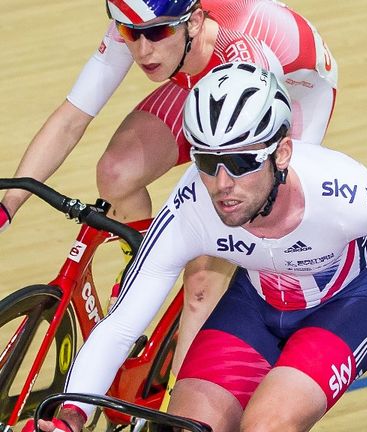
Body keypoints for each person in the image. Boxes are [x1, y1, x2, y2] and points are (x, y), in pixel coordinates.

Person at [27, 62, 367, 432]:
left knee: (267, 424)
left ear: (281, 153)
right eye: (207, 162)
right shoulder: (191, 207)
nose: (223, 184)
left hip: (348, 302)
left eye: (243, 162)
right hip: (258, 299)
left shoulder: (339, 194)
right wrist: (71, 417)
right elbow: (121, 326)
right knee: (190, 426)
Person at [0, 0, 339, 397]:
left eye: (157, 33)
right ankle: (139, 263)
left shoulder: (245, 53)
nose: (143, 50)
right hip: (202, 82)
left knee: (202, 277)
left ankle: (179, 414)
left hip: (285, 97)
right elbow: (71, 118)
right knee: (115, 173)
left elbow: (217, 183)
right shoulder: (143, 23)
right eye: (131, 34)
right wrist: (9, 204)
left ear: (193, 21)